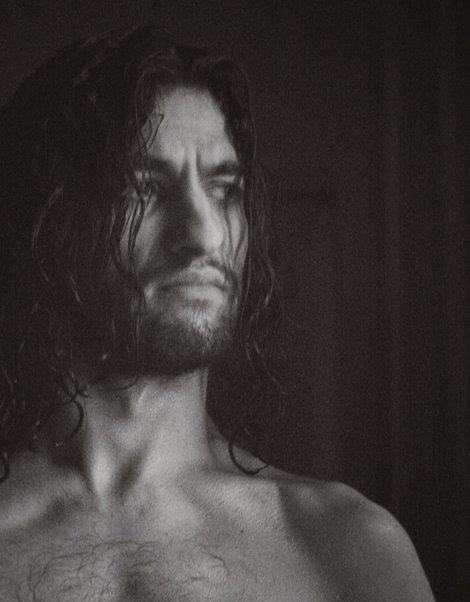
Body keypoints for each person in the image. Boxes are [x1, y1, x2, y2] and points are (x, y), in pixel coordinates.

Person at [0, 25, 435, 601]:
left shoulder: (346, 548)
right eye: (144, 189)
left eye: (224, 191)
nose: (206, 235)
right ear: (49, 227)